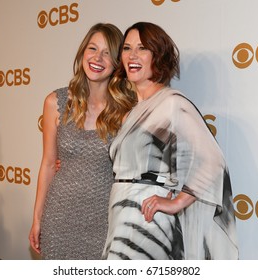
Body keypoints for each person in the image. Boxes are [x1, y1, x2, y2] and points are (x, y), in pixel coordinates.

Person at [101, 22, 239, 260]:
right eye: (126, 48)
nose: (132, 55)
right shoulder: (131, 110)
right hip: (122, 214)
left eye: (142, 48)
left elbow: (212, 161)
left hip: (147, 220)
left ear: (158, 56)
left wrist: (177, 203)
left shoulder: (172, 103)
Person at [28, 23, 136, 259]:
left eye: (107, 52)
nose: (98, 57)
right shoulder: (55, 102)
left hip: (105, 222)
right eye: (93, 48)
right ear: (82, 53)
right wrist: (37, 218)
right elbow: (48, 164)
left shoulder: (128, 111)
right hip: (59, 218)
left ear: (118, 63)